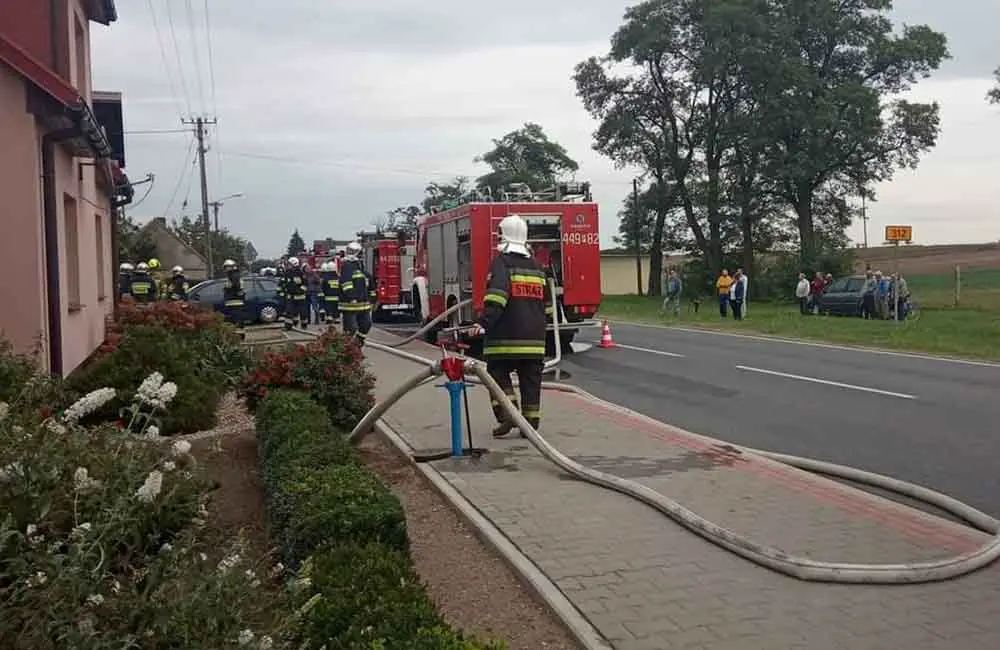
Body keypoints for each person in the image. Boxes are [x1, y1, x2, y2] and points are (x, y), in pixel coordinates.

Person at [468, 214, 551, 439]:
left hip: (504, 338)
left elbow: (497, 297)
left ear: (502, 236)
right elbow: (547, 305)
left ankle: (508, 414)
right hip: (535, 340)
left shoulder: (502, 263)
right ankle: (530, 422)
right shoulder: (537, 266)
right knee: (531, 382)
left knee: (497, 374)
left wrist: (483, 323)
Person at [339, 241, 376, 344]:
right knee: (350, 329)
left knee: (366, 325)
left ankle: (357, 344)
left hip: (363, 305)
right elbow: (346, 283)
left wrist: (373, 298)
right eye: (360, 254)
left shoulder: (360, 267)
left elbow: (369, 281)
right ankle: (345, 348)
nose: (361, 256)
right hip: (350, 305)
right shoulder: (347, 266)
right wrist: (352, 297)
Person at [282, 257, 310, 329]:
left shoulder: (300, 273)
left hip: (300, 297)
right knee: (289, 311)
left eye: (290, 264)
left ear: (294, 264)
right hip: (290, 297)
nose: (288, 265)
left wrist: (300, 290)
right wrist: (284, 290)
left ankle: (304, 325)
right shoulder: (287, 273)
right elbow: (284, 283)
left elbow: (305, 284)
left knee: (303, 312)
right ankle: (288, 326)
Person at [221, 259, 246, 325]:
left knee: (236, 321)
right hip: (235, 302)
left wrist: (227, 289)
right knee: (236, 320)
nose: (225, 269)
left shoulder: (234, 275)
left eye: (226, 267)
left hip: (234, 302)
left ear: (230, 267)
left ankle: (238, 330)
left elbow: (236, 286)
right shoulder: (234, 275)